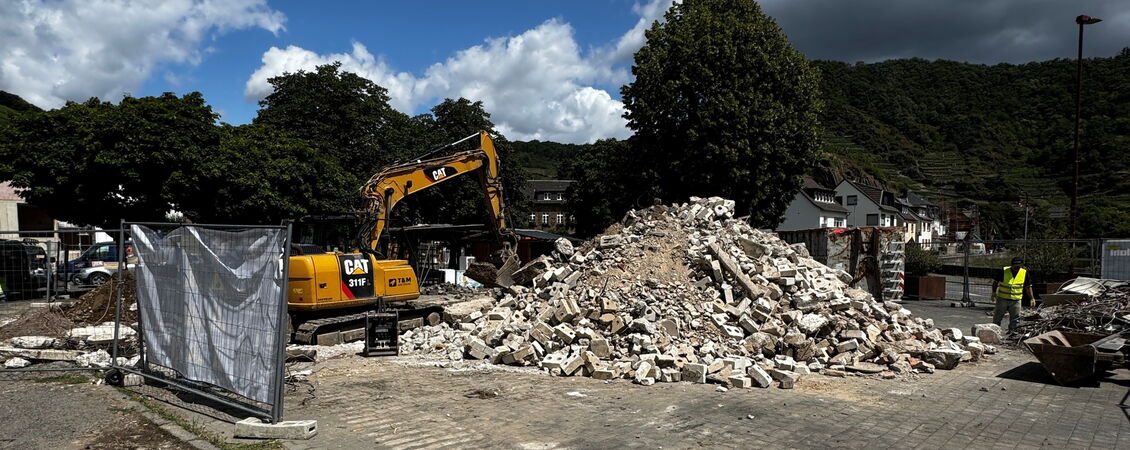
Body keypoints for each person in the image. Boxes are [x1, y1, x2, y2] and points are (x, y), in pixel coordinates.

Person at [992, 256, 1035, 335]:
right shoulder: (1004, 271)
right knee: (998, 316)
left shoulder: (1024, 273)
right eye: (1015, 266)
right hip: (1003, 299)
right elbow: (995, 282)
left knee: (1015, 319)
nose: (1017, 268)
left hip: (1016, 300)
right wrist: (994, 292)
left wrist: (1031, 298)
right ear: (1011, 265)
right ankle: (994, 332)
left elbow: (1028, 286)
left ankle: (1013, 333)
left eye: (1018, 266)